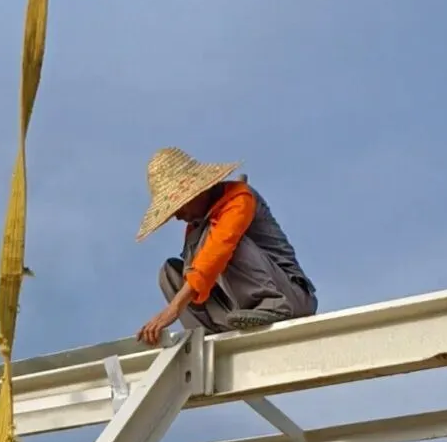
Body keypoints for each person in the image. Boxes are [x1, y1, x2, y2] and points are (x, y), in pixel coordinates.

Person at [135, 147, 317, 346]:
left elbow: (216, 251)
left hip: (289, 296)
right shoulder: (195, 228)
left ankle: (271, 305)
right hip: (237, 310)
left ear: (197, 192)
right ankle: (207, 335)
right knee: (170, 272)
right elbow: (197, 274)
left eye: (178, 207)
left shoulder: (239, 198)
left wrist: (173, 309)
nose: (177, 216)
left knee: (217, 243)